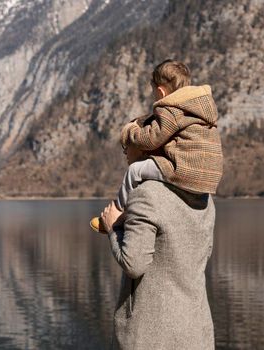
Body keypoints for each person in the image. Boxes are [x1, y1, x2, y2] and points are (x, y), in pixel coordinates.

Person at [90, 59, 223, 233]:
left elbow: (151, 139)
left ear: (160, 91)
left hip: (183, 169)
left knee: (135, 170)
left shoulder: (172, 109)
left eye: (153, 92)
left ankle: (118, 214)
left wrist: (130, 132)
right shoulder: (198, 108)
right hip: (209, 177)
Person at [100, 175, 216, 349]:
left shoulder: (146, 194)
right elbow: (204, 253)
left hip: (150, 337)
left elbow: (133, 264)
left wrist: (113, 228)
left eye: (127, 148)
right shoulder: (204, 196)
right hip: (196, 331)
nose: (125, 153)